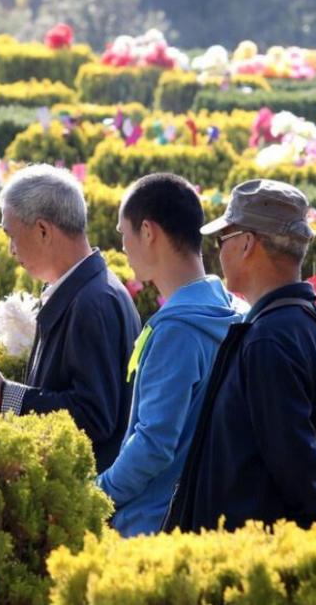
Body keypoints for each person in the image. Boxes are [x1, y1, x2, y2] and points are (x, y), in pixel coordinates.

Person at [164, 179, 316, 536]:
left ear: (247, 243)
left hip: (258, 567)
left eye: (223, 241)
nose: (219, 253)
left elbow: (300, 473)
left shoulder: (269, 339)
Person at [0, 164, 138, 473]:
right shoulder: (86, 289)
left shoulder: (93, 302)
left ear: (43, 230)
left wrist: (5, 396)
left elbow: (94, 417)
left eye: (12, 236)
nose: (12, 251)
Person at [95, 173, 242, 536]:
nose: (123, 246)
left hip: (150, 527)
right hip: (202, 517)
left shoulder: (177, 329)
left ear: (148, 231)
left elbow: (153, 445)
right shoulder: (231, 308)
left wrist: (97, 495)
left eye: (123, 233)